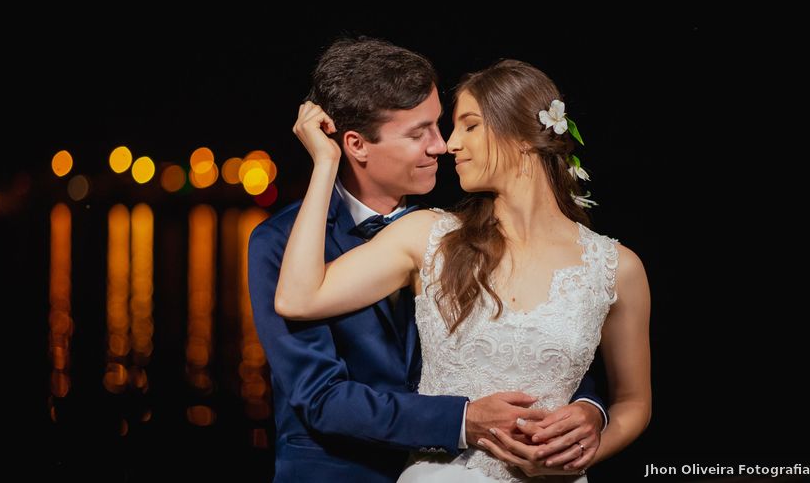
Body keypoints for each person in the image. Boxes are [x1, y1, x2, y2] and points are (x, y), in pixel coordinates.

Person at [249, 38, 609, 483]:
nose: (442, 146)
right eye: (419, 134)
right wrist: (461, 421)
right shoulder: (280, 243)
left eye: (440, 126)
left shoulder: (449, 224)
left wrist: (587, 409)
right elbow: (320, 398)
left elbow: (544, 335)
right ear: (356, 145)